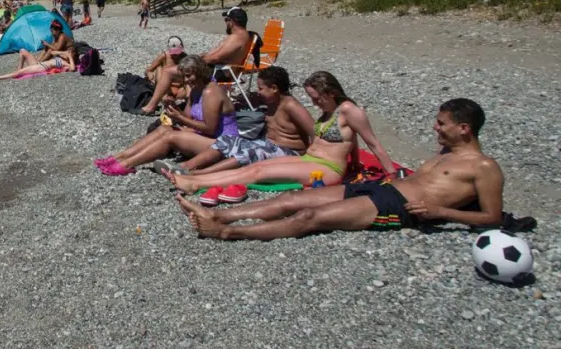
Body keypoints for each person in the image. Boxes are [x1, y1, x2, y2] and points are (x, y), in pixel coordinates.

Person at [176, 99, 505, 241]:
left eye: (442, 124)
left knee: (310, 218)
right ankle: (220, 216)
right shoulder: (444, 153)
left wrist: (440, 211)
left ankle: (227, 232)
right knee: (294, 198)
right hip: (382, 189)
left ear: (465, 128)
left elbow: (492, 217)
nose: (435, 128)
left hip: (395, 209)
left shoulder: (484, 167)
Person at [164, 70, 396, 192]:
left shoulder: (350, 110)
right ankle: (195, 175)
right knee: (257, 166)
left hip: (327, 169)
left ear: (330, 92)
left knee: (259, 174)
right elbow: (351, 141)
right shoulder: (329, 111)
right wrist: (355, 162)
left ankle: (195, 183)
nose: (314, 103)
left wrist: (393, 176)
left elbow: (372, 143)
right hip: (310, 159)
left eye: (316, 98)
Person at [95, 55, 238, 176]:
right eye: (184, 76)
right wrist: (174, 108)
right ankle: (120, 157)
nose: (186, 80)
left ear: (200, 72)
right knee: (164, 129)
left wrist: (179, 118)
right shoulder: (196, 89)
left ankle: (127, 164)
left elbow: (210, 128)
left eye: (189, 76)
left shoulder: (210, 92)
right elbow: (188, 118)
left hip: (223, 142)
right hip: (206, 136)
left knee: (170, 137)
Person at [164, 66, 314, 174]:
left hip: (290, 152)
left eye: (261, 88)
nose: (258, 92)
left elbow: (314, 131)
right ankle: (185, 166)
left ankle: (200, 174)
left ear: (274, 88)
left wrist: (311, 160)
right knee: (227, 141)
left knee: (249, 151)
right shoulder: (272, 103)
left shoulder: (291, 106)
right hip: (267, 145)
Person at [138, 7, 252, 115]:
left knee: (168, 71)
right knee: (178, 69)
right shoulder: (243, 36)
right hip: (223, 70)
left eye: (227, 20)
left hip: (220, 73)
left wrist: (199, 60)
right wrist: (204, 57)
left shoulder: (236, 37)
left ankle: (150, 107)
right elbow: (216, 54)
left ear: (233, 21)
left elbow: (216, 58)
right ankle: (186, 102)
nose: (226, 23)